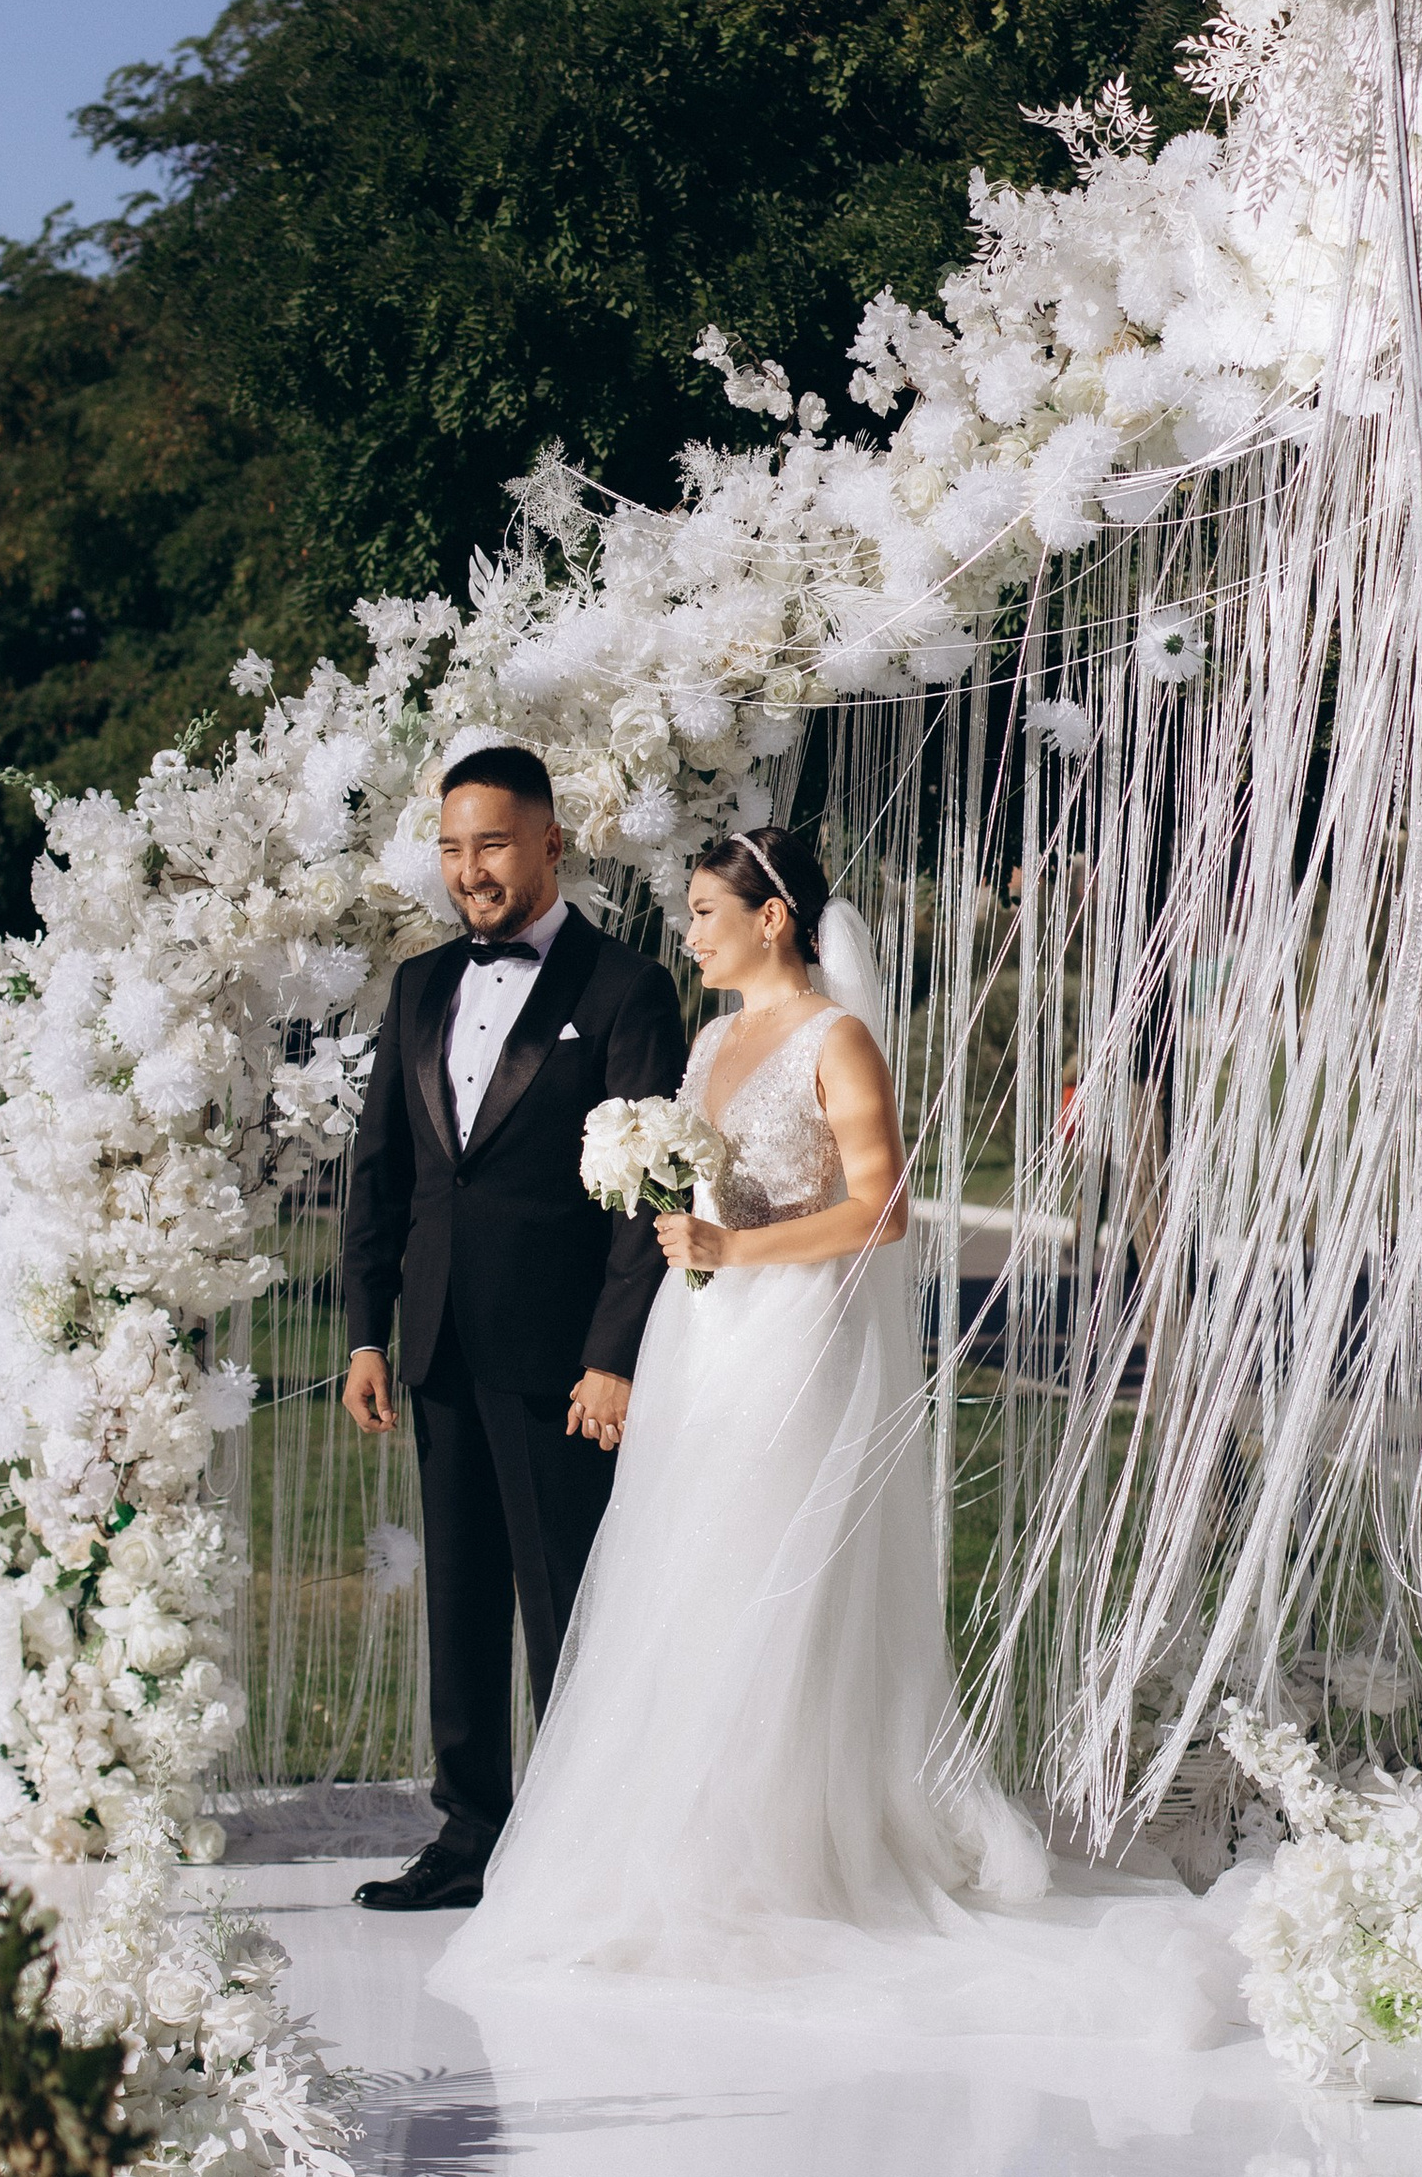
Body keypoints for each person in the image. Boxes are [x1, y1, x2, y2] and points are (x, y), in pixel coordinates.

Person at [435, 824, 1244, 2044]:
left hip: (793, 1331)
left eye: (708, 910)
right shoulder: (710, 1038)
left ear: (772, 918)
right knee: (687, 1578)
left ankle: (787, 1857)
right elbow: (701, 1185)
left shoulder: (835, 1038)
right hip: (702, 1335)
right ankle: (685, 1846)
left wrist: (733, 1247)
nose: (691, 931)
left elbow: (881, 1206)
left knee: (768, 1577)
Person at [339, 745, 687, 1911]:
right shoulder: (418, 986)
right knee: (464, 1604)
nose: (469, 870)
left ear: (550, 842)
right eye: (450, 847)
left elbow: (652, 1196)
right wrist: (365, 1333)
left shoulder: (625, 989)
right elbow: (379, 1168)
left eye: (491, 843)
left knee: (569, 1608)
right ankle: (468, 1837)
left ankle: (591, 1845)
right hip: (435, 1341)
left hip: (561, 1363)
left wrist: (612, 1354)